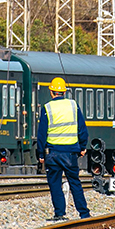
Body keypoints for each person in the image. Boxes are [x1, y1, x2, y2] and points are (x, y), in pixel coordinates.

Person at [37, 77, 90, 221]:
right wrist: (83, 146)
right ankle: (84, 214)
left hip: (52, 153)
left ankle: (59, 214)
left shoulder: (47, 108)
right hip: (70, 153)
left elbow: (41, 134)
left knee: (55, 184)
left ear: (51, 91)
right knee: (75, 183)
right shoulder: (73, 105)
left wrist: (40, 153)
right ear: (64, 92)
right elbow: (82, 129)